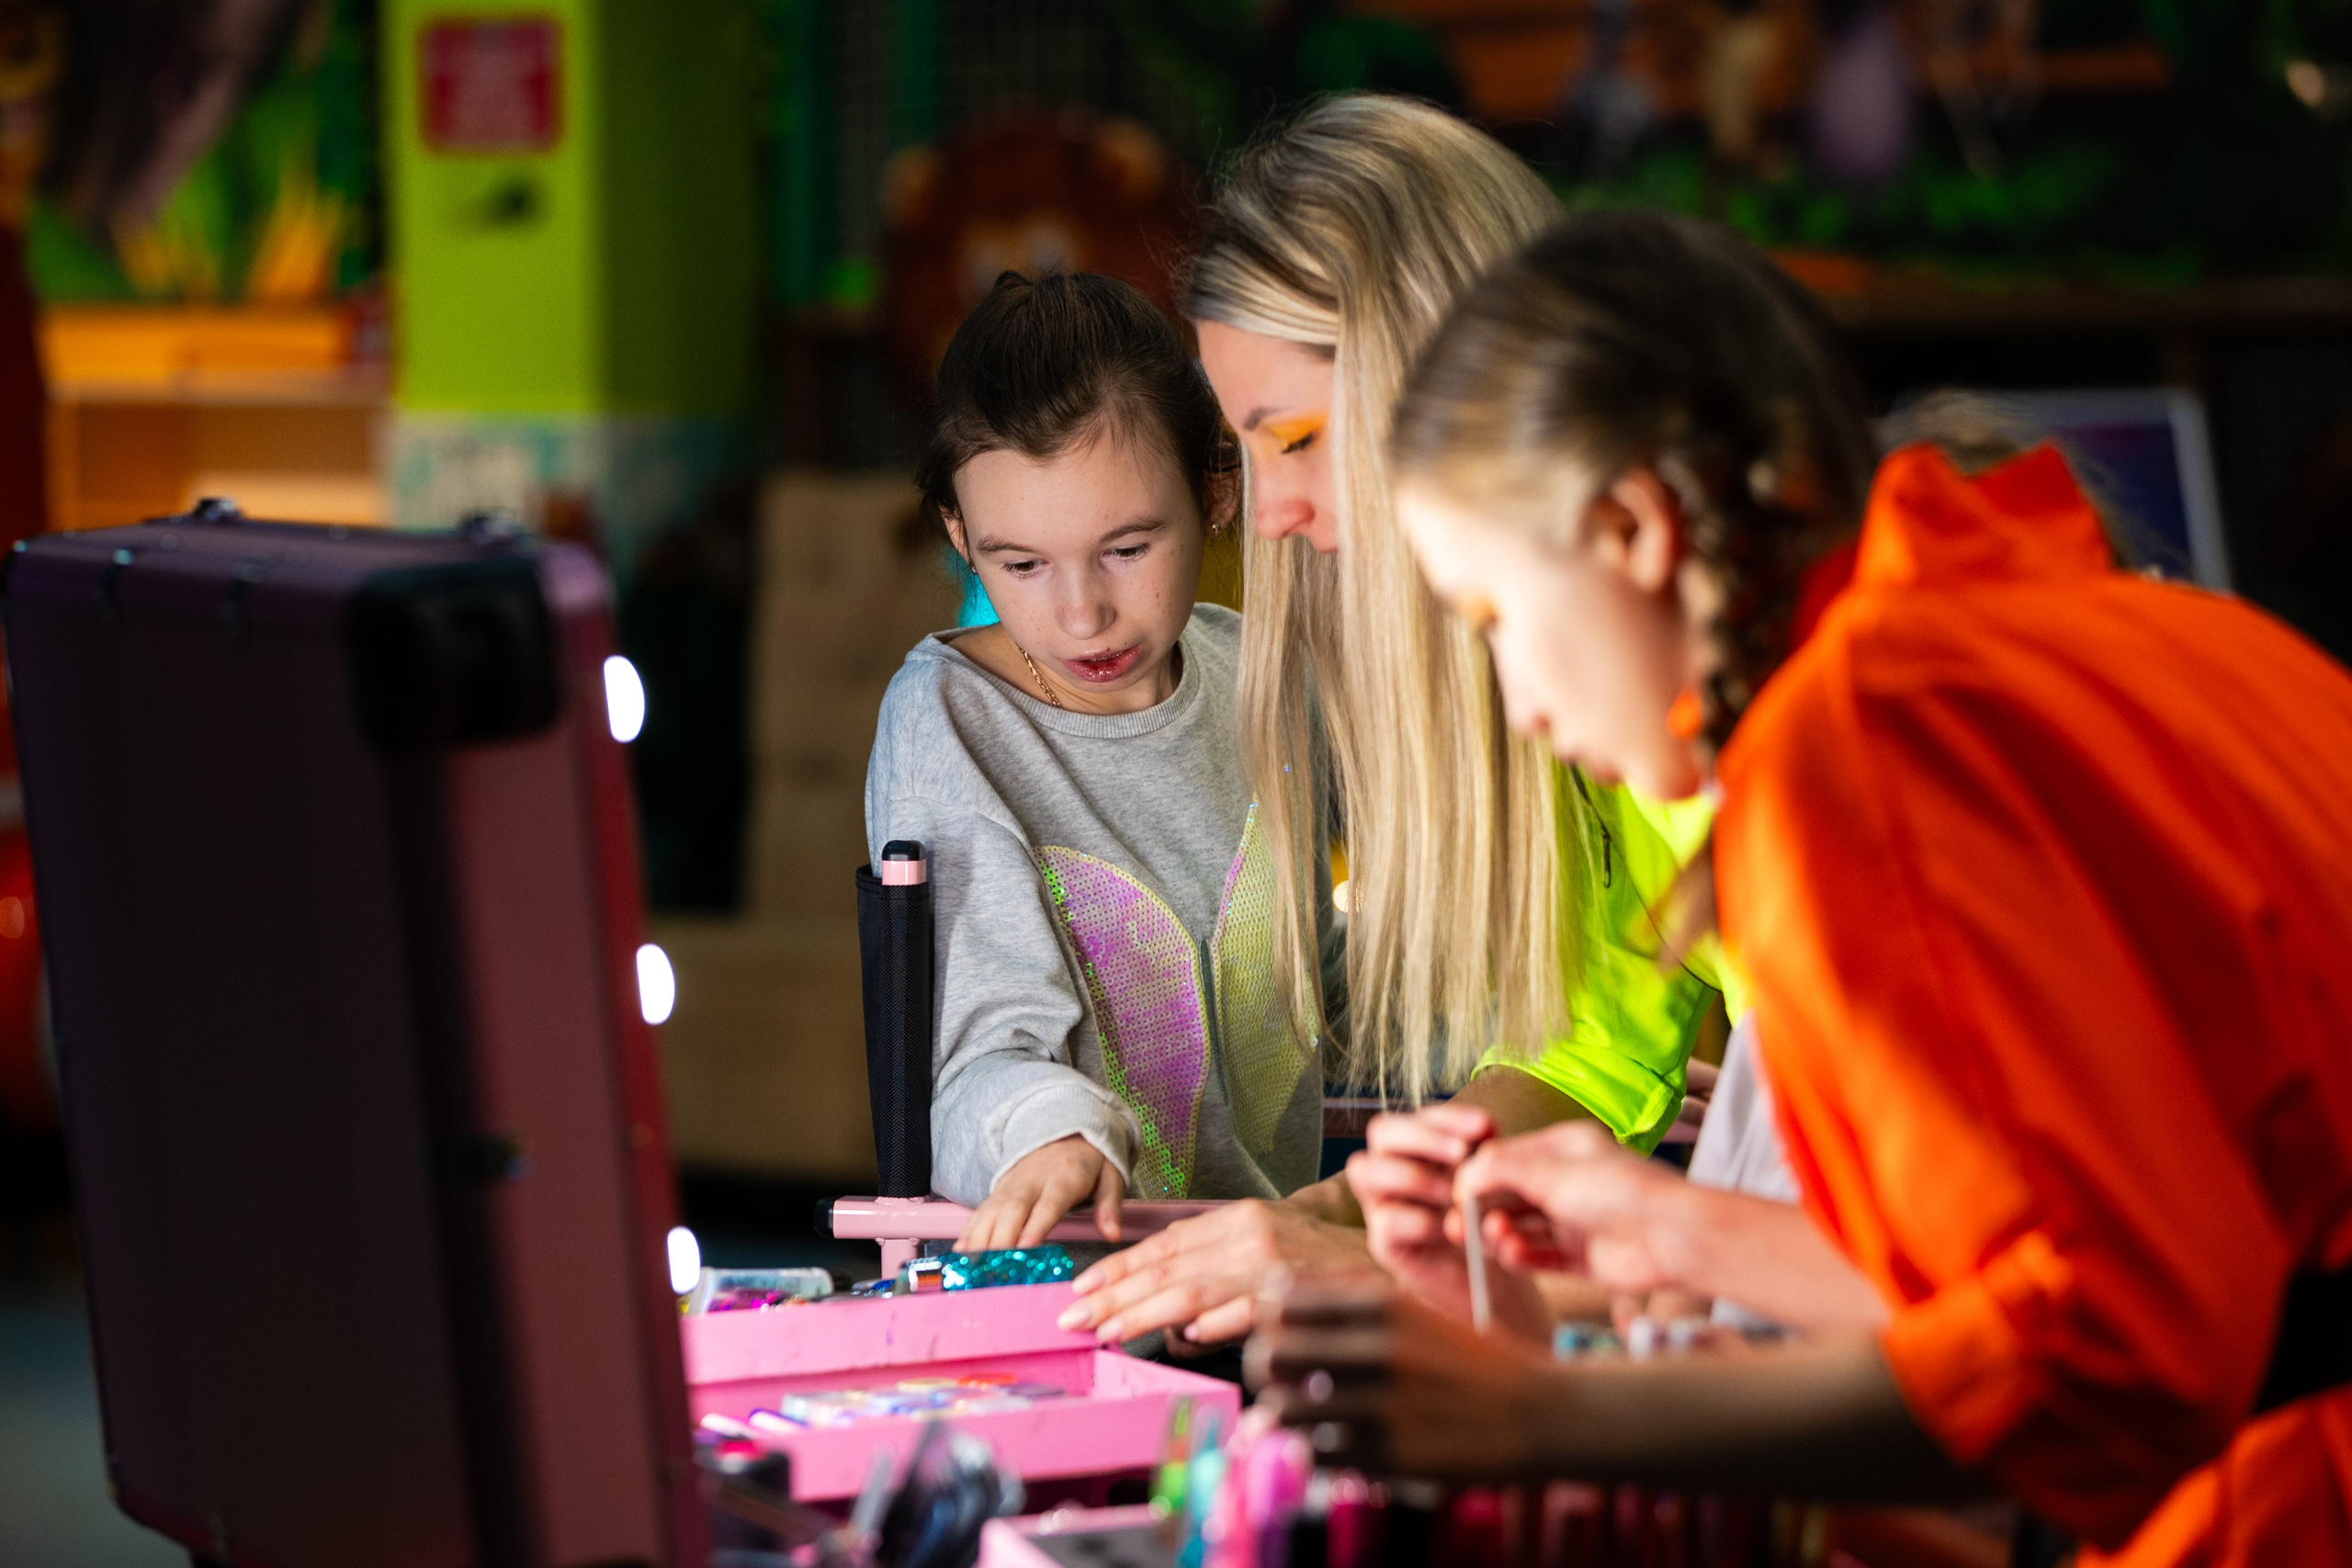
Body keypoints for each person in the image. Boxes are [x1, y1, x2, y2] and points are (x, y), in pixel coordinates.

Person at [1250, 209, 2352, 1566]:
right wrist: (1669, 1227)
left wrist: (1546, 1416)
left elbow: (2117, 1351)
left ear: (1637, 529)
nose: (1522, 704)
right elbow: (2106, 1247)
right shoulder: (2090, 627)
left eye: (1496, 620)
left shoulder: (1862, 739)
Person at [1058, 94, 1748, 1351]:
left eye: (1303, 440)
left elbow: (1929, 1281)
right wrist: (1347, 1210)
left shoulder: (1757, 712)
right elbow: (1594, 1048)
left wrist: (1371, 1268)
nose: (1269, 517)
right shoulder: (1612, 679)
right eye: (1246, 454)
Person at [865, 271, 1335, 1252]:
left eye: (1125, 548)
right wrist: (1051, 1132)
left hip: (1274, 1266)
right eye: (1020, 565)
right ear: (960, 536)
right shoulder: (948, 720)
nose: (1080, 615)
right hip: (1075, 1291)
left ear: (1214, 495)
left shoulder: (1261, 670)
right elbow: (974, 1058)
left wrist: (1536, 1052)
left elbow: (1335, 978)